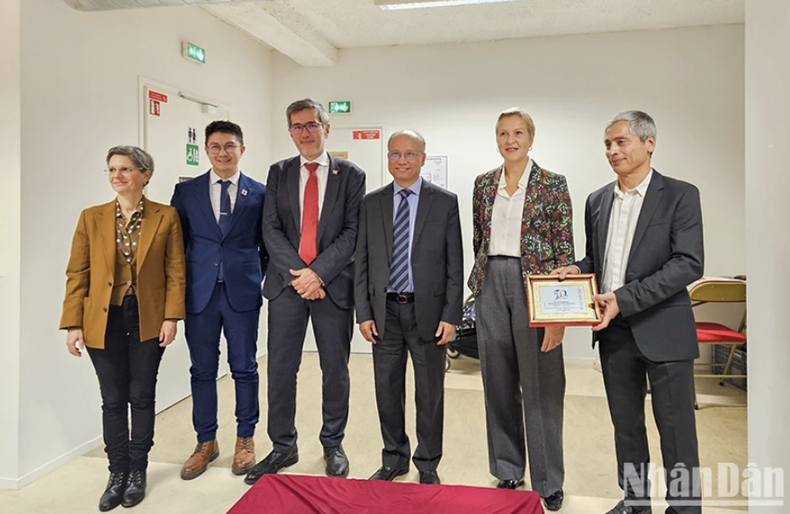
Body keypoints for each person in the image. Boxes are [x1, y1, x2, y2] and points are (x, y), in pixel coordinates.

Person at [554, 111, 703, 514]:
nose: (613, 150)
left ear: (649, 143)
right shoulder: (598, 200)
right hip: (614, 332)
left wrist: (624, 297)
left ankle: (685, 507)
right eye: (607, 144)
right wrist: (577, 270)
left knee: (676, 431)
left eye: (622, 142)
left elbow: (687, 263)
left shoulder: (680, 195)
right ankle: (635, 502)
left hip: (665, 330)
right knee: (627, 427)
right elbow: (599, 260)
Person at [245, 98, 366, 484]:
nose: (305, 133)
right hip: (286, 286)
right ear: (290, 132)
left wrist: (319, 275)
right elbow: (271, 229)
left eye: (311, 125)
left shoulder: (350, 174)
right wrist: (300, 275)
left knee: (335, 369)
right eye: (297, 126)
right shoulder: (278, 172)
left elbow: (352, 232)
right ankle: (283, 445)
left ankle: (333, 443)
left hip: (331, 288)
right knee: (281, 369)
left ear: (327, 129)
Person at [60, 146, 185, 511]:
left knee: (142, 396)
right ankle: (117, 472)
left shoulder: (166, 216)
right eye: (112, 169)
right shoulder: (91, 218)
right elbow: (77, 272)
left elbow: (176, 271)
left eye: (125, 169)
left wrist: (171, 317)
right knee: (112, 398)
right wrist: (72, 323)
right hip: (103, 317)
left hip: (147, 316)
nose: (117, 176)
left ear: (145, 174)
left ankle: (138, 471)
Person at [468, 108, 573, 511]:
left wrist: (557, 318)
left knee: (542, 386)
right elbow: (481, 238)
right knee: (497, 381)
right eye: (502, 133)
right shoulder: (483, 184)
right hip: (492, 281)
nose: (509, 140)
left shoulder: (552, 185)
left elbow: (565, 251)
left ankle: (548, 479)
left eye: (517, 133)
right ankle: (508, 467)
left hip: (537, 287)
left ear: (531, 138)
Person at [355, 130, 463, 485]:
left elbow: (454, 264)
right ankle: (394, 458)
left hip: (428, 314)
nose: (402, 160)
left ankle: (427, 463)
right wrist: (364, 312)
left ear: (422, 158)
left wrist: (451, 315)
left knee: (429, 392)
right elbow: (363, 262)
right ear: (387, 158)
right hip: (384, 313)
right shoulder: (372, 203)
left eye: (410, 154)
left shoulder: (444, 202)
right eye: (395, 154)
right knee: (386, 390)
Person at [170, 121, 268, 481]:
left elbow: (267, 244)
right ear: (206, 150)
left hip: (242, 293)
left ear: (242, 149)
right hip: (200, 294)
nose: (222, 152)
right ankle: (206, 441)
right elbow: (177, 247)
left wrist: (257, 276)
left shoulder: (259, 193)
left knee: (244, 368)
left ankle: (246, 438)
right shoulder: (187, 193)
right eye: (215, 146)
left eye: (230, 146)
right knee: (202, 371)